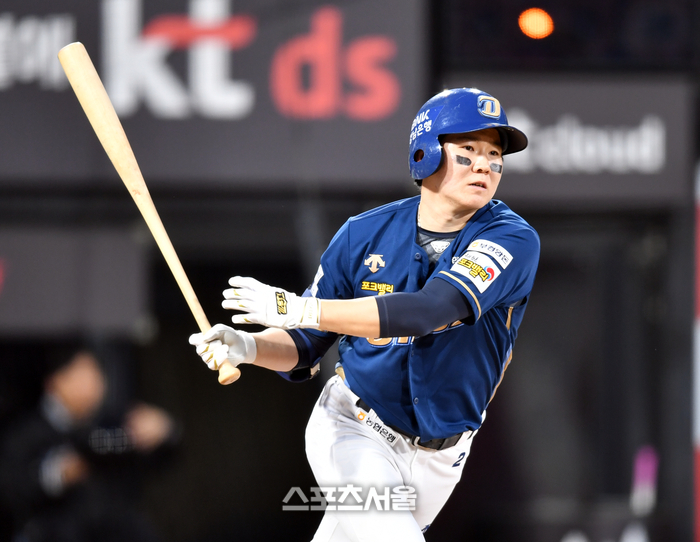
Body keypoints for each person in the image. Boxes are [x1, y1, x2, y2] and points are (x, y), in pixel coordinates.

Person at [190, 88, 540, 541]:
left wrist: (300, 309)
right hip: (355, 429)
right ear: (426, 152)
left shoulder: (511, 238)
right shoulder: (363, 235)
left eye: (494, 155)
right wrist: (248, 346)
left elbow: (431, 310)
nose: (484, 165)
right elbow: (305, 345)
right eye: (468, 149)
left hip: (443, 457)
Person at [0, 343, 179, 542]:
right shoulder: (25, 432)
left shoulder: (111, 423)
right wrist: (60, 474)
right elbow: (12, 489)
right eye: (82, 375)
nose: (93, 384)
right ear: (55, 381)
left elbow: (159, 457)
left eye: (96, 374)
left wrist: (163, 430)